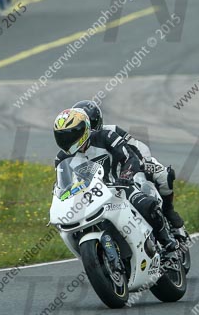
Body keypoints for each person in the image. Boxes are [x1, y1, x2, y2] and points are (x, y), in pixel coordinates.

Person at [52, 108, 179, 254]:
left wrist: (125, 176)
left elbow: (130, 157)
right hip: (90, 195)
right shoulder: (61, 158)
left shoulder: (106, 136)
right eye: (61, 137)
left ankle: (165, 239)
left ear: (84, 128)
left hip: (118, 186)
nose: (67, 141)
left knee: (145, 204)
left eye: (71, 134)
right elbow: (64, 182)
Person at [72, 100, 185, 232]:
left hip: (133, 163)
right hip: (106, 181)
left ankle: (168, 210)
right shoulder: (77, 147)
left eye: (91, 125)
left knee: (163, 176)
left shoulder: (111, 131)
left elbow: (134, 146)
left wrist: (143, 162)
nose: (89, 130)